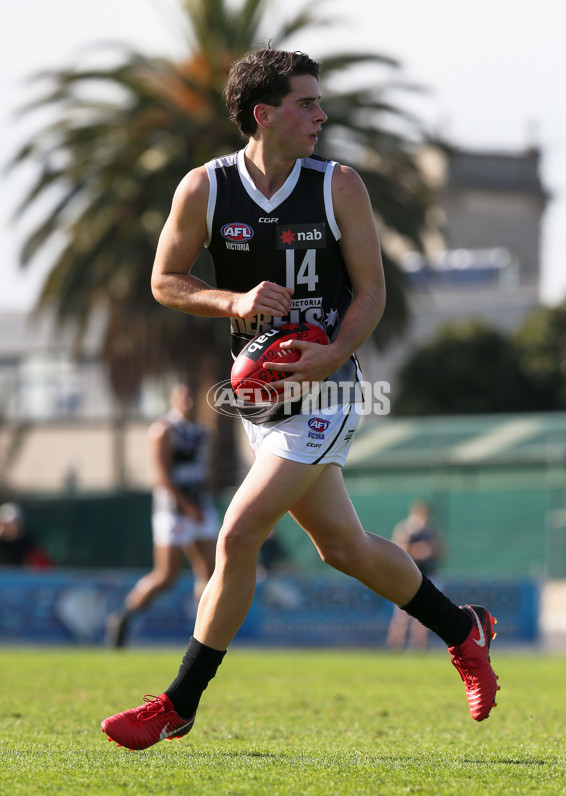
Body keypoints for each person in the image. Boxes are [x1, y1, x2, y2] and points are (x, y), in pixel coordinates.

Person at [101, 47, 499, 750]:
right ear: (265, 114)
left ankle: (178, 702)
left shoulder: (338, 184)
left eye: (319, 101)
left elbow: (372, 290)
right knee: (342, 546)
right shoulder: (205, 188)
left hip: (331, 385)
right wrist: (233, 298)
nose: (321, 115)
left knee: (235, 533)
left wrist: (333, 354)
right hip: (261, 397)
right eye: (306, 103)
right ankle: (463, 629)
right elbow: (166, 279)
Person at [104, 382, 219, 647]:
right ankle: (123, 617)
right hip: (174, 511)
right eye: (184, 397)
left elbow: (205, 470)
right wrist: (186, 505)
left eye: (193, 398)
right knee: (167, 576)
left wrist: (201, 502)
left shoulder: (203, 431)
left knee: (211, 572)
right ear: (174, 399)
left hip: (200, 506)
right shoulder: (164, 430)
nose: (189, 403)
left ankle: (203, 634)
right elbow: (161, 475)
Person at [386, 501, 443, 650]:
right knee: (402, 615)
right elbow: (398, 549)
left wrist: (431, 549)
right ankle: (395, 646)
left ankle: (419, 647)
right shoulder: (406, 529)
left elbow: (441, 550)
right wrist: (417, 550)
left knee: (424, 617)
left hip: (428, 576)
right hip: (408, 576)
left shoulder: (431, 530)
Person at [0, 502, 52, 568]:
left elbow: (45, 571)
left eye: (12, 524)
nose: (10, 528)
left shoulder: (30, 548)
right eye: (4, 524)